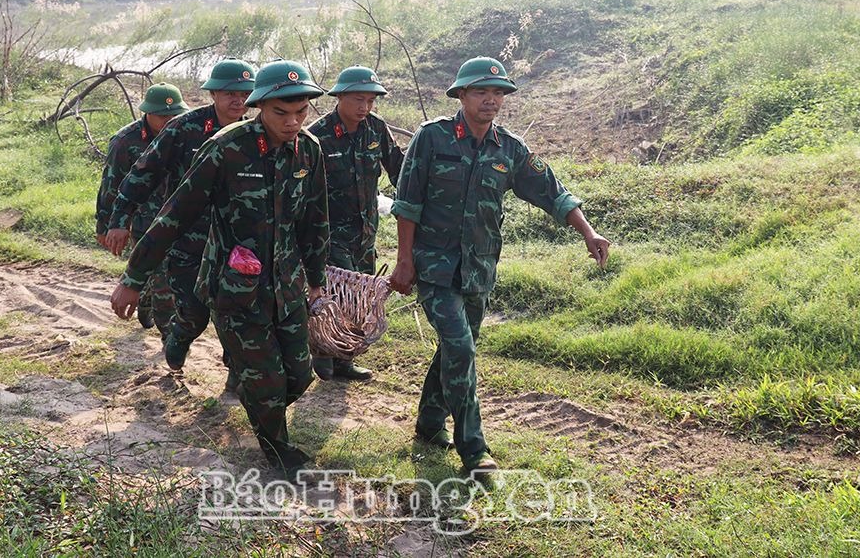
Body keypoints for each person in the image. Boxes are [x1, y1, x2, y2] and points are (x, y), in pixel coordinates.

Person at [389, 56, 611, 475]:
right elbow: (408, 203)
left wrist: (588, 232)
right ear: (461, 96)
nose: (491, 100)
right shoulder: (431, 139)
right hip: (434, 267)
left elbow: (553, 193)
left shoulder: (509, 149)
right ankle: (472, 448)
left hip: (479, 269)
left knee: (456, 350)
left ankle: (429, 423)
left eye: (498, 93)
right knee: (460, 347)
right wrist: (404, 261)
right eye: (480, 92)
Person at [110, 60, 329, 479]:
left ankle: (258, 400)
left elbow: (315, 220)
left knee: (299, 376)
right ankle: (277, 451)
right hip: (235, 288)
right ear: (260, 106)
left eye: (300, 112)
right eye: (281, 113)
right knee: (266, 383)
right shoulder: (227, 147)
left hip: (286, 286)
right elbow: (174, 215)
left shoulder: (309, 151)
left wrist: (317, 281)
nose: (292, 122)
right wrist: (133, 280)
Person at [105, 58, 256, 390]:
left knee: (237, 310)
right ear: (213, 93)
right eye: (230, 93)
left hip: (234, 242)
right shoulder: (183, 128)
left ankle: (237, 375)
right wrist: (118, 220)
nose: (238, 101)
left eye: (245, 93)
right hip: (186, 239)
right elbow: (141, 176)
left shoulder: (254, 134)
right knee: (193, 309)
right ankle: (179, 338)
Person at [307, 65, 404, 381]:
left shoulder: (376, 130)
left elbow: (399, 170)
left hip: (365, 233)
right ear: (340, 98)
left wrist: (415, 205)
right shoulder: (317, 136)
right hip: (330, 233)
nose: (365, 107)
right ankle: (322, 350)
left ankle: (343, 360)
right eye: (358, 100)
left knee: (360, 298)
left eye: (371, 101)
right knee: (335, 295)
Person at [95, 83, 188, 340]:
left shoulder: (187, 133)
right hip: (144, 222)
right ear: (147, 113)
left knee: (172, 276)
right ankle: (171, 336)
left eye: (174, 116)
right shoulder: (126, 141)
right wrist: (107, 226)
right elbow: (111, 186)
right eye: (162, 116)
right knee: (161, 277)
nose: (170, 121)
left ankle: (149, 298)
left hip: (180, 220)